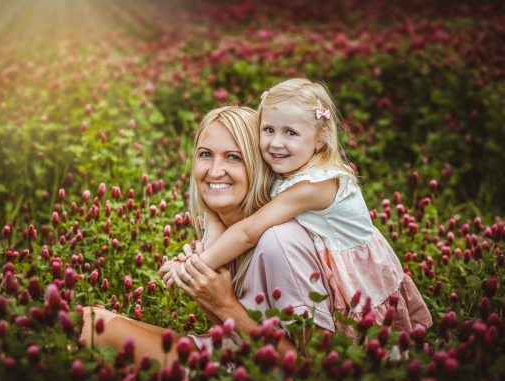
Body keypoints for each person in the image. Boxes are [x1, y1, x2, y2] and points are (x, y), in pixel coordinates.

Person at [163, 79, 432, 335]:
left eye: (290, 132)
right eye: (268, 130)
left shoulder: (312, 185)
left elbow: (248, 232)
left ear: (320, 138)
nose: (276, 142)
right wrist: (196, 265)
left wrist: (193, 267)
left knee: (372, 350)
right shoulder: (288, 166)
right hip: (328, 268)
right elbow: (217, 215)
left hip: (358, 279)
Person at [81, 105, 335, 368]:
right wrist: (202, 286)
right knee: (91, 319)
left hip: (259, 377)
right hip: (231, 352)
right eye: (205, 154)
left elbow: (317, 369)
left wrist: (225, 305)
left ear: (259, 165)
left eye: (233, 157)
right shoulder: (222, 231)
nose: (214, 171)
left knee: (100, 334)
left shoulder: (279, 242)